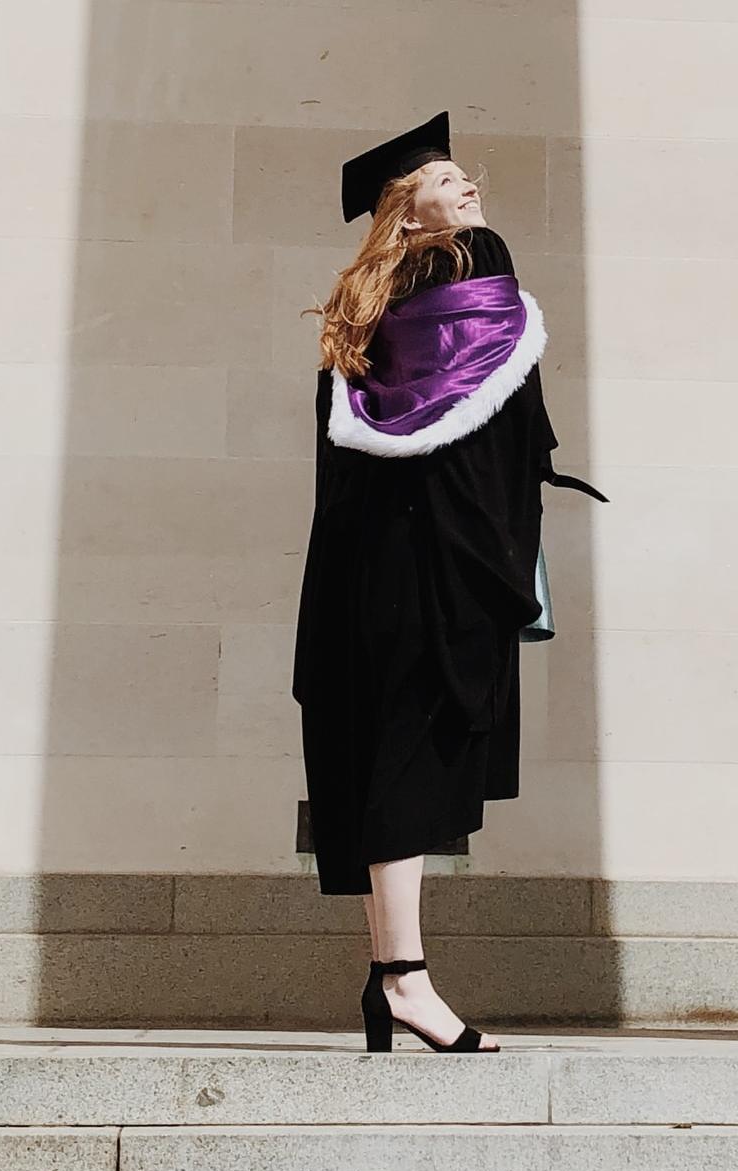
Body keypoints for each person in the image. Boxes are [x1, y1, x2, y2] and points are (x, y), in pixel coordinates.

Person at [293, 111, 607, 1053]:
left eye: (467, 176)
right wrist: (508, 548)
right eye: (445, 177)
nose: (469, 186)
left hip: (363, 566)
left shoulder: (368, 306)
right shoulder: (471, 258)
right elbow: (492, 423)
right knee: (412, 757)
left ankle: (392, 975)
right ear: (406, 208)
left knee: (387, 748)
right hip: (436, 557)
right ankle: (404, 982)